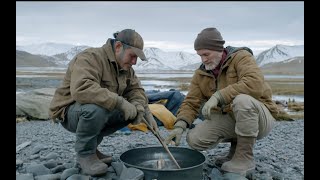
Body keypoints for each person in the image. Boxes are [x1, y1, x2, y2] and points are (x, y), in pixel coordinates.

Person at [164, 27, 282, 176]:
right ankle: (235, 152)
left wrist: (219, 96)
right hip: (234, 117)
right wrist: (180, 125)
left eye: (206, 54)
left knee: (242, 101)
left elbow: (254, 83)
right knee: (194, 139)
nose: (204, 59)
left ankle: (245, 158)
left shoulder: (241, 57)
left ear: (219, 49)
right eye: (200, 55)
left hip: (261, 118)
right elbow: (191, 102)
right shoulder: (201, 73)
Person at [49, 29, 159, 176]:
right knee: (97, 108)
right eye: (132, 56)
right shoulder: (90, 58)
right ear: (118, 46)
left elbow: (136, 90)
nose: (134, 62)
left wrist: (141, 107)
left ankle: (93, 149)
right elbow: (82, 88)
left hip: (93, 111)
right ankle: (85, 154)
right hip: (69, 113)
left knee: (131, 111)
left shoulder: (125, 68)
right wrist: (120, 102)